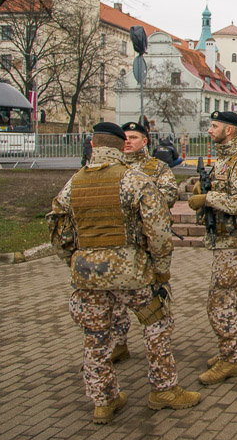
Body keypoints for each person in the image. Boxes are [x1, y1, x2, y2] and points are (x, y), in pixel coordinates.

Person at [46, 122, 200, 424]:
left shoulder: (73, 184)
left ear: (92, 146)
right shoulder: (135, 181)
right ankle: (163, 389)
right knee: (156, 325)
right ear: (119, 148)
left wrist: (75, 261)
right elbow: (158, 233)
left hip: (88, 276)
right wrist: (161, 271)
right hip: (132, 273)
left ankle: (104, 400)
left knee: (95, 335)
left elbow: (58, 231)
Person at [188, 110, 237, 385]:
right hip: (223, 237)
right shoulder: (224, 160)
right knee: (234, 295)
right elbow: (223, 190)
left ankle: (229, 359)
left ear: (229, 130)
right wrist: (202, 190)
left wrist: (208, 198)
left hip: (233, 240)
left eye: (214, 126)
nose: (209, 130)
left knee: (219, 299)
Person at [105, 121, 181, 365]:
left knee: (153, 299)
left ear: (145, 141)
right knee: (114, 300)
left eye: (134, 137)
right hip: (117, 243)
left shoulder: (156, 168)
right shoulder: (110, 167)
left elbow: (169, 195)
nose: (128, 141)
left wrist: (140, 201)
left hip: (145, 245)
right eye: (124, 137)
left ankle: (159, 349)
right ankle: (118, 343)